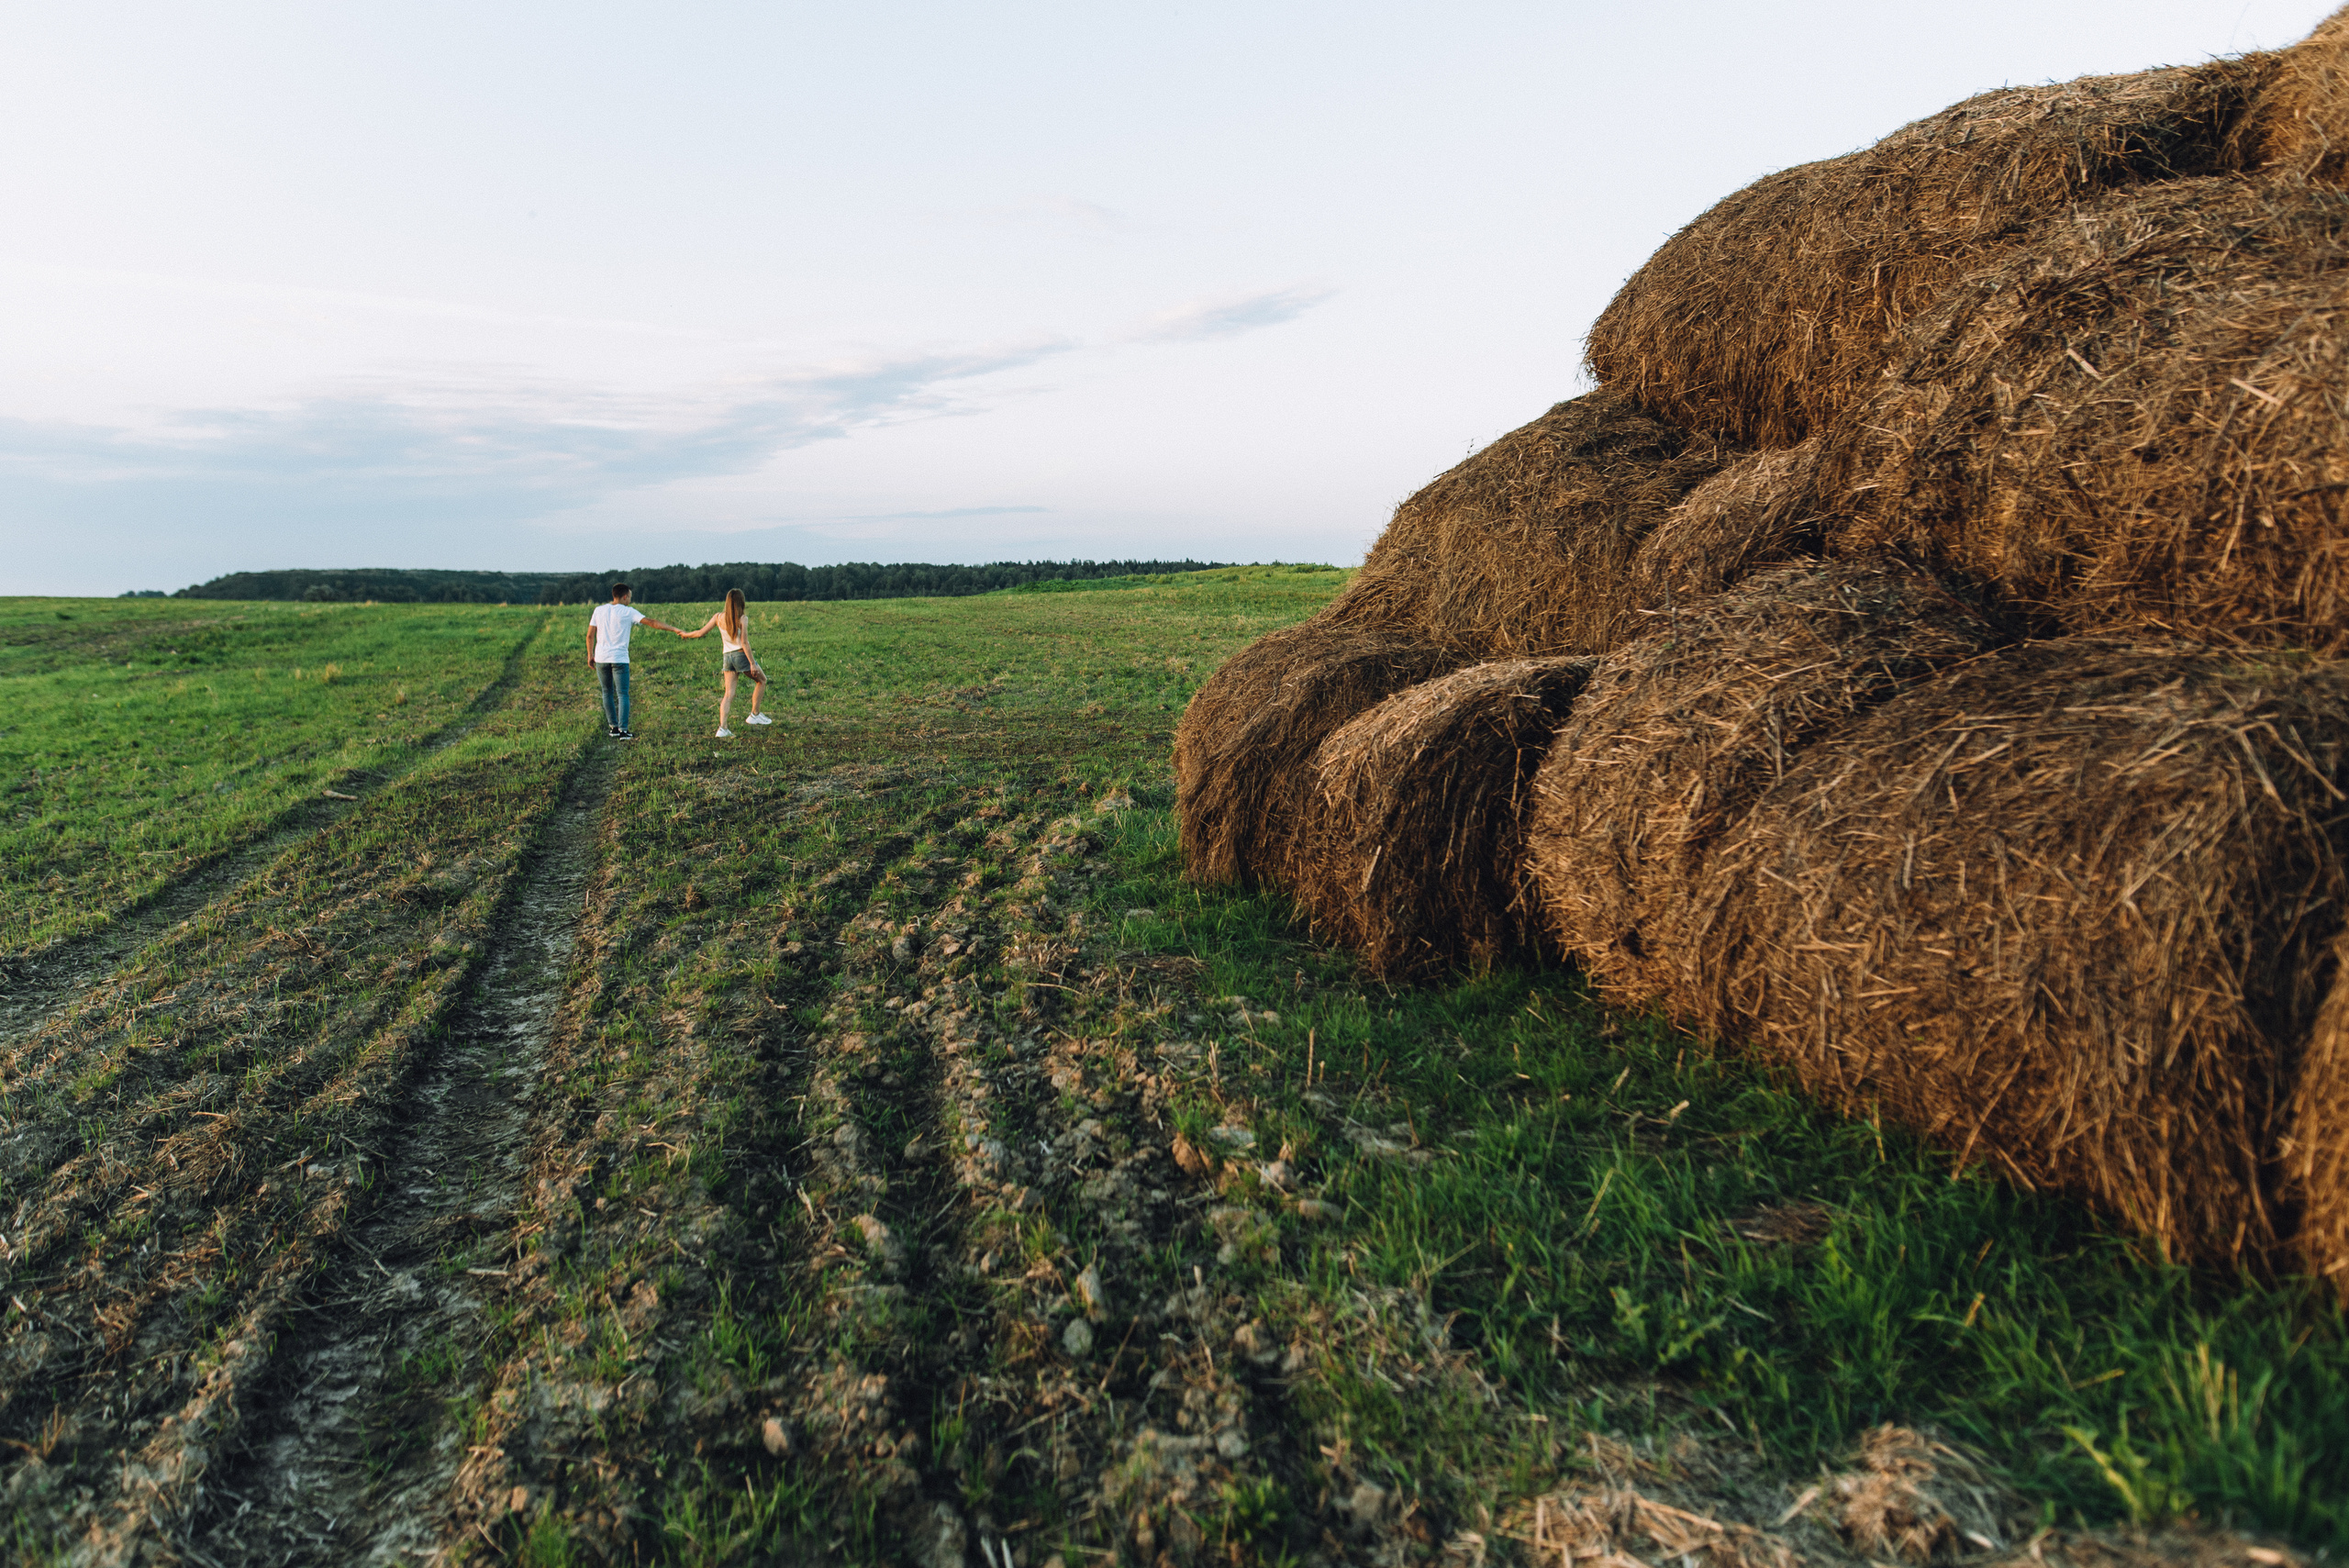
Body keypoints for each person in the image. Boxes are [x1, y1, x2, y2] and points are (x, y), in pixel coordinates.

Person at [586, 583, 683, 740]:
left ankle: (613, 728)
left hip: (601, 658)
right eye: (630, 597)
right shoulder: (628, 612)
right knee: (623, 694)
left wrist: (590, 655)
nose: (630, 600)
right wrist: (675, 629)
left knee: (606, 692)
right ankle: (624, 730)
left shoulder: (599, 610)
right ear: (625, 597)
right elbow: (652, 622)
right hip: (619, 659)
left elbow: (590, 635)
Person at [679, 588, 772, 739]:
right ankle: (755, 714)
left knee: (728, 694)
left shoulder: (718, 617)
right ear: (741, 602)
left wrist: (685, 634)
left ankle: (723, 728)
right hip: (741, 655)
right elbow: (745, 642)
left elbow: (700, 633)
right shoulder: (742, 619)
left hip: (727, 658)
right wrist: (753, 663)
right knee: (762, 680)